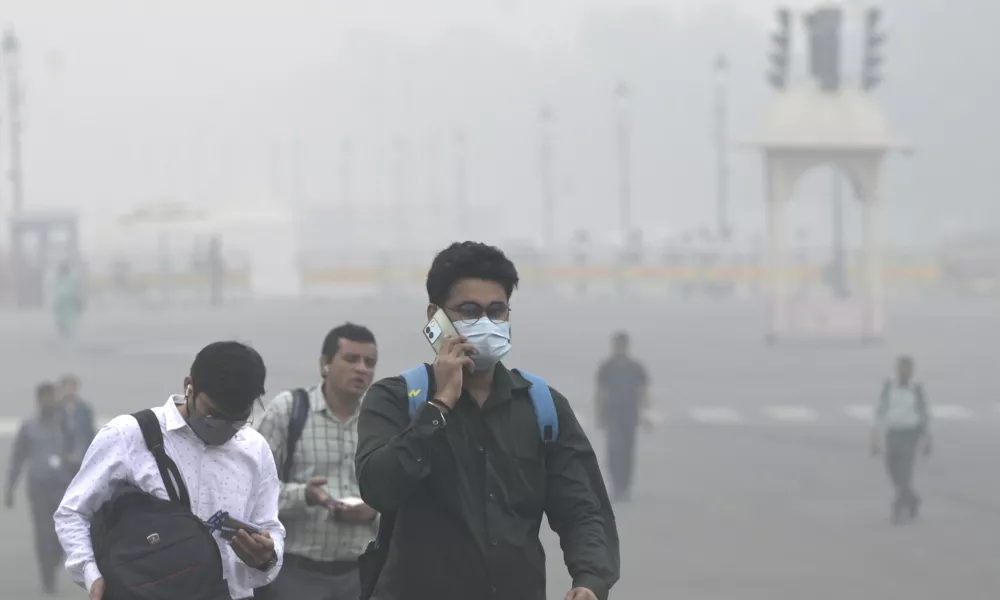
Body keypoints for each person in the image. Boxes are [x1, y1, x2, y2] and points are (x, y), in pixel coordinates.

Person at [355, 241, 620, 600]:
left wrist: (589, 580)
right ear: (436, 316)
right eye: (469, 310)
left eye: (496, 311)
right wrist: (439, 406)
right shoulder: (396, 399)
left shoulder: (543, 406)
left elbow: (583, 509)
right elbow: (379, 488)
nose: (485, 322)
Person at [55, 341, 286, 600]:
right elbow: (72, 512)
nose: (225, 428)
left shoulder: (255, 450)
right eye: (213, 416)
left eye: (238, 420)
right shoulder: (129, 436)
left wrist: (267, 557)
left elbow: (270, 525)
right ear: (189, 385)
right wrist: (90, 573)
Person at [254, 323, 380, 600]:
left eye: (369, 363)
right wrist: (306, 496)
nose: (361, 369)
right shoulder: (289, 410)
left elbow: (398, 495)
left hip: (361, 575)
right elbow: (252, 493)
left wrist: (374, 511)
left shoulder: (379, 423)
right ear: (325, 364)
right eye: (351, 359)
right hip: (296, 575)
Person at [5, 382, 77, 595]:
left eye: (52, 397)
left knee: (62, 533)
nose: (49, 401)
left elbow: (78, 452)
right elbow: (17, 458)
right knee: (43, 533)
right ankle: (47, 577)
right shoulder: (29, 427)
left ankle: (55, 559)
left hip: (62, 485)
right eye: (45, 398)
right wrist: (10, 488)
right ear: (39, 401)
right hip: (39, 487)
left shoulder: (65, 425)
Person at [870, 355, 932, 524]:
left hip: (911, 433)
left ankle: (898, 507)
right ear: (897, 369)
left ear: (912, 371)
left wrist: (928, 437)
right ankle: (912, 499)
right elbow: (879, 411)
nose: (904, 371)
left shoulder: (916, 389)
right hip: (893, 433)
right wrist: (874, 436)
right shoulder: (888, 387)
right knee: (892, 467)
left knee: (905, 469)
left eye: (908, 369)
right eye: (901, 368)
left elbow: (924, 413)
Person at [595, 330, 650, 502]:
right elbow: (600, 392)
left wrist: (646, 413)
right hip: (613, 415)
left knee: (628, 451)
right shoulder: (607, 366)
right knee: (613, 450)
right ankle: (616, 485)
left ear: (626, 346)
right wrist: (600, 415)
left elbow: (643, 391)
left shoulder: (636, 367)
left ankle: (625, 486)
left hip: (630, 415)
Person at [58, 374, 96, 470]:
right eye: (66, 388)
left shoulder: (85, 410)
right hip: (62, 458)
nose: (69, 391)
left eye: (71, 388)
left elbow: (89, 433)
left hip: (81, 457)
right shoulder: (57, 410)